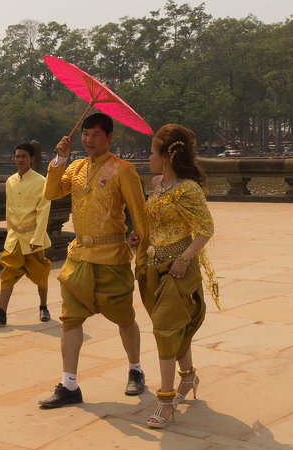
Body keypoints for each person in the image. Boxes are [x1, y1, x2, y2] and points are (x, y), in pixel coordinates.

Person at [38, 113, 149, 409]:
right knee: (70, 320)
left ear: (110, 137)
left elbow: (139, 215)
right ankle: (69, 384)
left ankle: (135, 369)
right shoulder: (74, 168)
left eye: (96, 135)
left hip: (112, 256)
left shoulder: (123, 170)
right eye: (86, 134)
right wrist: (59, 160)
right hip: (78, 257)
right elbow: (50, 192)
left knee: (125, 317)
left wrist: (145, 252)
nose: (88, 140)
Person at [138, 123, 220, 428]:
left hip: (178, 268)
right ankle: (188, 377)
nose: (148, 157)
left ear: (166, 156)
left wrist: (185, 258)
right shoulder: (157, 183)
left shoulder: (188, 189)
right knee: (174, 326)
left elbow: (205, 229)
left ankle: (165, 400)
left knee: (164, 328)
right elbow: (154, 223)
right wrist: (138, 238)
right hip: (153, 266)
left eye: (151, 152)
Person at [0, 141, 53, 326]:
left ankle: (43, 306)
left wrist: (37, 238)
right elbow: (9, 209)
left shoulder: (41, 181)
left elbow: (43, 211)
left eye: (23, 157)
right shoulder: (10, 181)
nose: (20, 160)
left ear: (31, 159)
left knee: (40, 273)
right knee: (8, 272)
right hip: (15, 237)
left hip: (32, 237)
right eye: (17, 156)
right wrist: (9, 233)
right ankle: (1, 312)